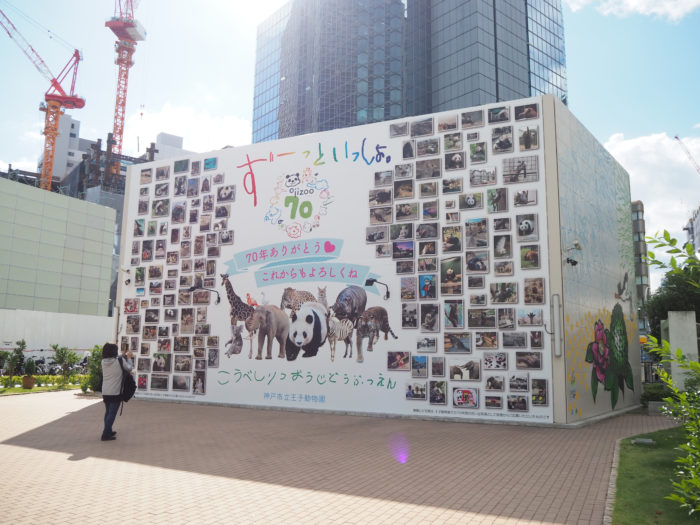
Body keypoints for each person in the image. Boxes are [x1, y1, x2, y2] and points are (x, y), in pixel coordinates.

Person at [100, 343, 133, 441]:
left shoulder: (103, 361)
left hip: (105, 391)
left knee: (108, 412)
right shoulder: (119, 360)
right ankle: (105, 434)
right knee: (112, 414)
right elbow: (129, 368)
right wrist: (130, 358)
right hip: (115, 392)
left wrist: (123, 355)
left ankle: (108, 430)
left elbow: (117, 360)